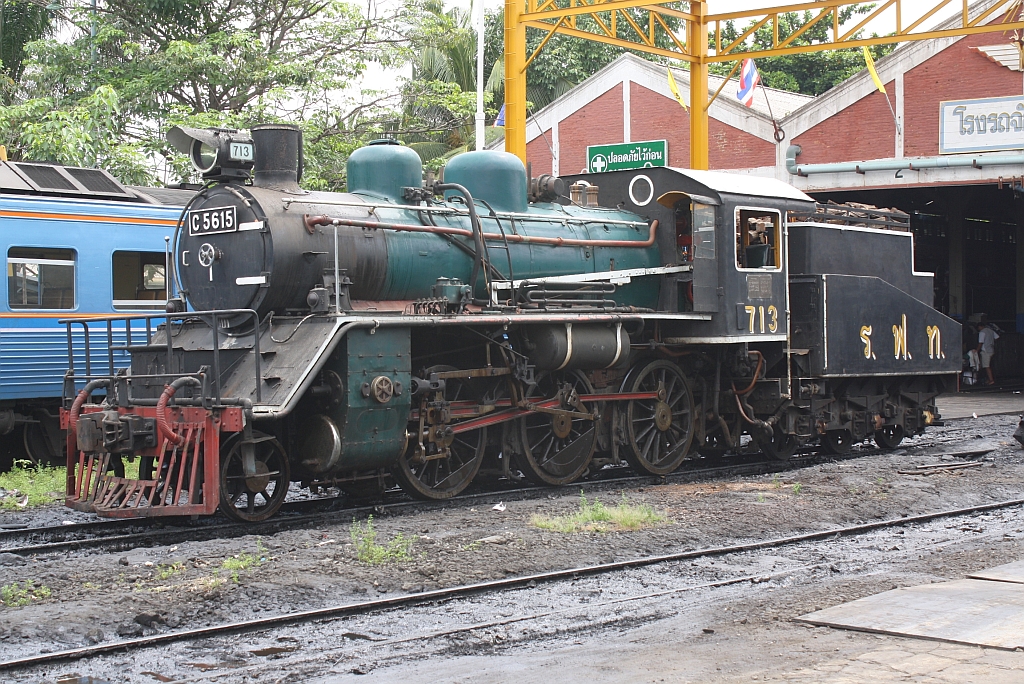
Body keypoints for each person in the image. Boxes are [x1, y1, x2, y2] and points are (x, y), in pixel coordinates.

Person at [976, 321, 999, 386]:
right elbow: (997, 337)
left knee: (986, 366)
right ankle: (988, 379)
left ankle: (991, 380)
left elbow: (981, 342)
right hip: (991, 350)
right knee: (988, 365)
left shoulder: (982, 332)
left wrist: (977, 350)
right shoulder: (991, 331)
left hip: (985, 351)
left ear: (980, 327)